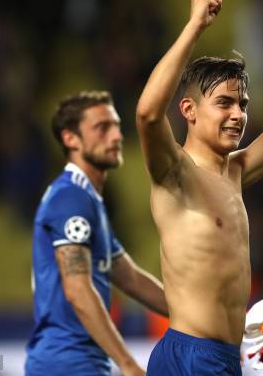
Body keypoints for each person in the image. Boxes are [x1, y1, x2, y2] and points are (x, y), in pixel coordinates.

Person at [136, 0, 263, 375]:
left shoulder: (235, 171)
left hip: (222, 356)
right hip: (191, 355)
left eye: (242, 103)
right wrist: (194, 27)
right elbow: (146, 113)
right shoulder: (175, 173)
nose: (238, 114)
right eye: (224, 103)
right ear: (189, 110)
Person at [26, 91, 168, 376]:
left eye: (116, 126)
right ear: (70, 139)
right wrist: (127, 363)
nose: (116, 136)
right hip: (67, 362)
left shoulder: (87, 200)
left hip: (81, 361)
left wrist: (196, 318)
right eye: (102, 128)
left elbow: (131, 278)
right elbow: (78, 289)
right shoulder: (70, 198)